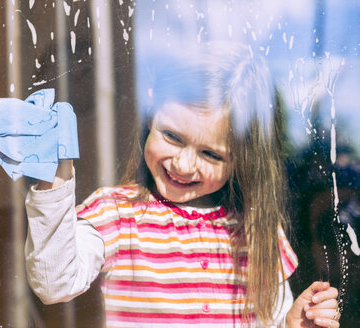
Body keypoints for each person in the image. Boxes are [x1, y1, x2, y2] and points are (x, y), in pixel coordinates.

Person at [24, 42, 340, 327]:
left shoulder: (256, 229)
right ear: (150, 117)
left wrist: (291, 323)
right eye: (172, 136)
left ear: (243, 162)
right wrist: (55, 174)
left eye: (211, 155)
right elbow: (55, 283)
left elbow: (268, 320)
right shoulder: (117, 214)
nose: (183, 165)